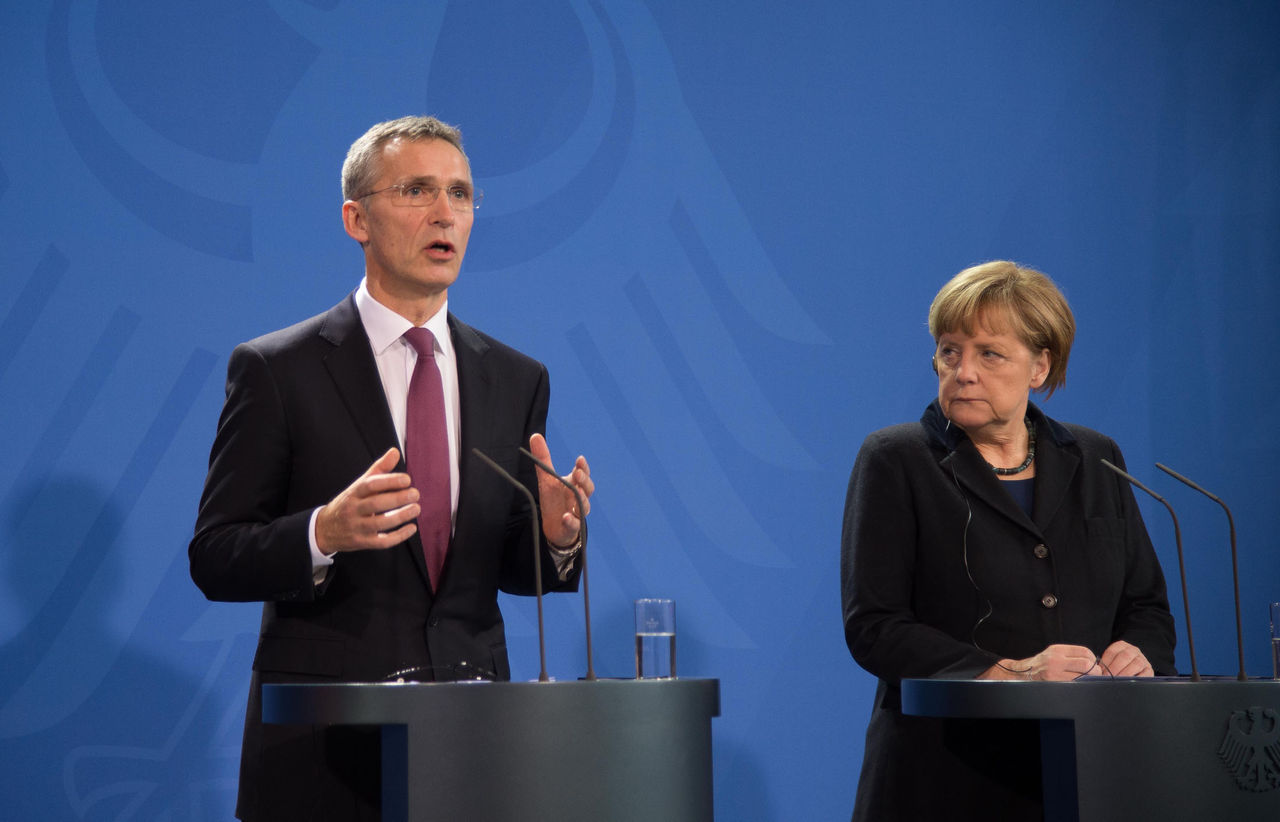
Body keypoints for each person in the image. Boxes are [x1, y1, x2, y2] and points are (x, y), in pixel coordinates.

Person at [189, 115, 595, 822]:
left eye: (461, 194)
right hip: (322, 748)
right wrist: (322, 532)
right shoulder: (278, 370)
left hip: (471, 738)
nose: (446, 213)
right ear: (357, 219)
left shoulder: (516, 378)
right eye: (416, 190)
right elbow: (216, 555)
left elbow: (500, 569)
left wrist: (557, 538)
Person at [840, 261, 1175, 821]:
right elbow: (874, 627)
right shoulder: (897, 459)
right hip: (946, 775)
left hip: (1090, 770)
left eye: (988, 354)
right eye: (950, 351)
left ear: (1039, 366)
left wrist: (1139, 655)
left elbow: (1146, 607)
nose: (963, 372)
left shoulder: (1097, 459)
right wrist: (1009, 672)